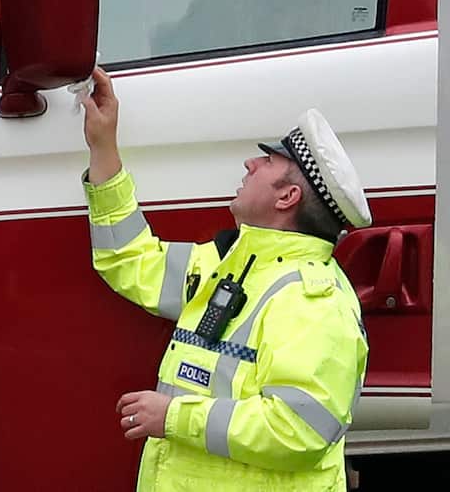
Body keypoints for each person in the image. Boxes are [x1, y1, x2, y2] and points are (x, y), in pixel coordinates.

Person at [81, 67, 369, 491]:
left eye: (268, 161)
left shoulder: (314, 301)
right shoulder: (232, 263)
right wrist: (103, 145)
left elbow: (297, 428)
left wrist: (172, 416)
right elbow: (130, 261)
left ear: (287, 197)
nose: (250, 163)